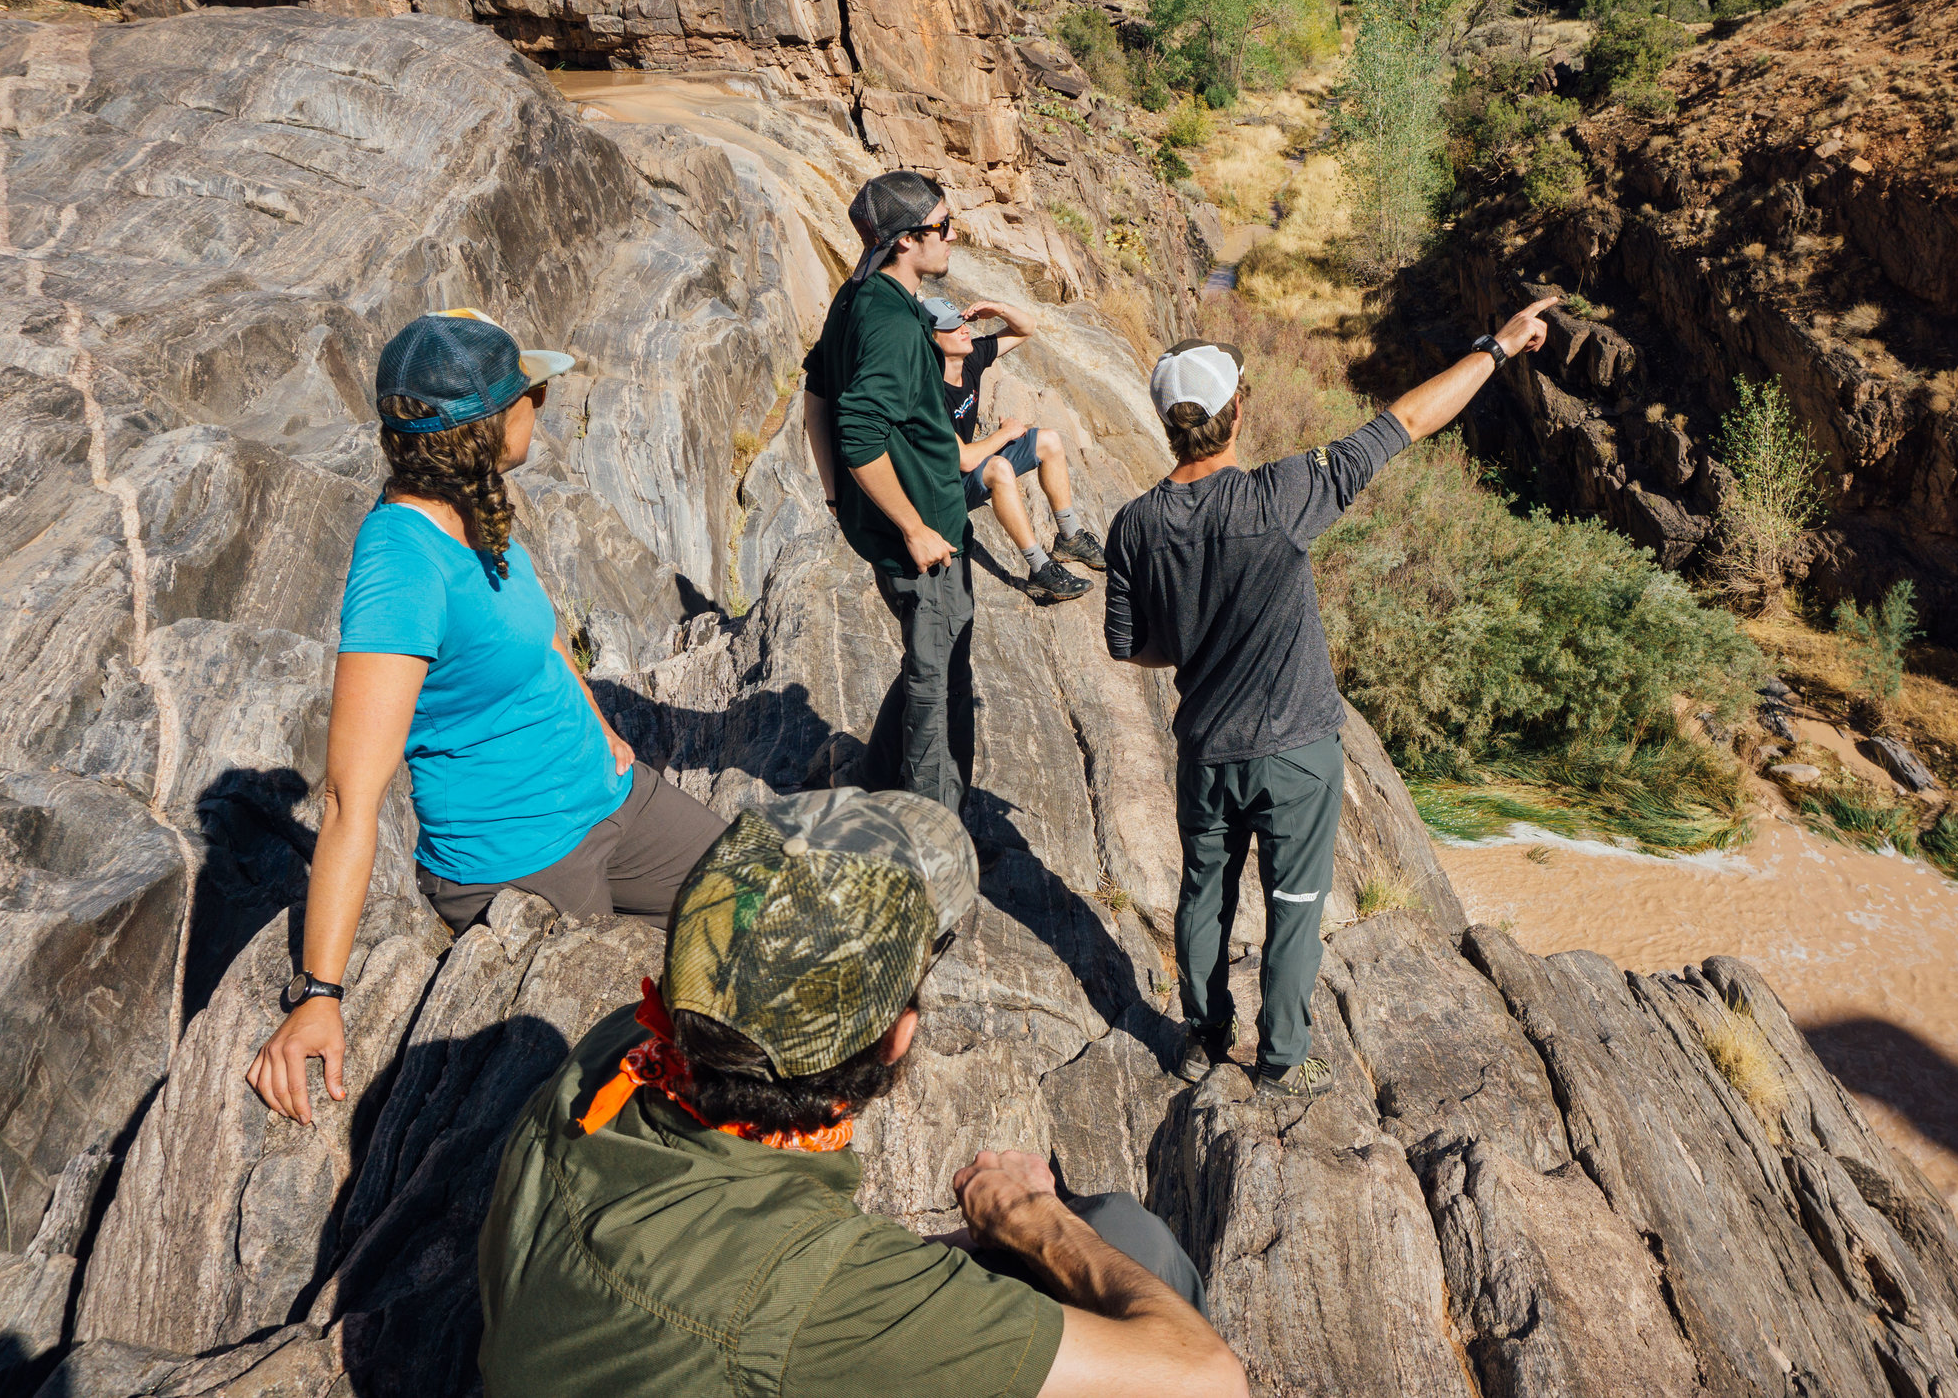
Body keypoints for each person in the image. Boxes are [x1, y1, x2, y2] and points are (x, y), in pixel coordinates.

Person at [476, 788, 1248, 1398]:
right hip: (742, 1330)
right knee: (1128, 1240)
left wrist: (939, 1269)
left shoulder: (622, 1049)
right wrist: (1028, 1216)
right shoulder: (807, 1299)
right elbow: (1208, 1380)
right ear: (897, 1037)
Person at [246, 308, 728, 1125]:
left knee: (753, 898)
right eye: (527, 391)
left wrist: (595, 716)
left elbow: (534, 630)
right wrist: (319, 990)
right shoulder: (400, 567)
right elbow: (346, 798)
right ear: (482, 427)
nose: (540, 399)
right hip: (519, 856)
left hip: (610, 793)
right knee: (622, 1077)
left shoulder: (476, 501)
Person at [1103, 295, 1562, 1102]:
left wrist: (1195, 634)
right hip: (1297, 756)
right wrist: (1498, 347)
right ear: (1237, 412)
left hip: (1207, 750)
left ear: (1168, 421)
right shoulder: (1283, 499)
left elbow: (1127, 643)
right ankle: (1282, 1059)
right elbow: (1407, 421)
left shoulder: (1135, 524)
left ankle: (1202, 1040)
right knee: (1294, 905)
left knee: (1203, 895)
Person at [804, 172, 976, 815]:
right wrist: (913, 527)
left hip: (903, 524)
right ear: (906, 241)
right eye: (943, 228)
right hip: (924, 540)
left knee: (928, 662)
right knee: (938, 684)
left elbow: (817, 397)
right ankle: (931, 837)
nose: (953, 238)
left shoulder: (854, 297)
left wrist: (836, 498)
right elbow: (858, 431)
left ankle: (875, 778)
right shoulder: (896, 326)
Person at [925, 294, 1106, 606]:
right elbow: (964, 460)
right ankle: (1040, 570)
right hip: (942, 491)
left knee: (1047, 440)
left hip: (966, 476)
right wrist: (1005, 434)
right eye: (953, 327)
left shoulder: (970, 358)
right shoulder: (929, 391)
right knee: (998, 468)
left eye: (962, 321)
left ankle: (1070, 537)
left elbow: (1026, 329)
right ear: (933, 340)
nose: (964, 329)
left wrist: (1000, 309)